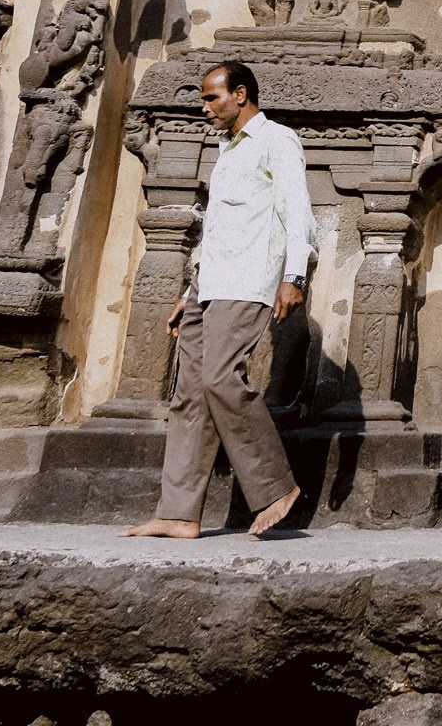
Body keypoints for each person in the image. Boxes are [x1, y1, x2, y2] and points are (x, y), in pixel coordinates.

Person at [122, 61, 314, 538]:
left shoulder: (278, 140)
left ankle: (275, 488)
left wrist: (294, 277)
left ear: (241, 95)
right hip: (210, 286)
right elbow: (219, 229)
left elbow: (298, 213)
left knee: (221, 379)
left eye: (212, 98)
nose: (205, 108)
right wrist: (191, 292)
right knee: (188, 395)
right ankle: (179, 513)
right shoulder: (226, 150)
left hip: (248, 283)